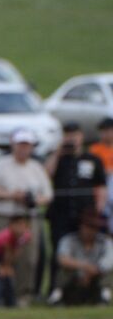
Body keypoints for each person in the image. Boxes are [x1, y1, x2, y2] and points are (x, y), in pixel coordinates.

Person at [0, 130, 52, 306]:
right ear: (13, 145)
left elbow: (48, 195)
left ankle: (22, 294)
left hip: (28, 218)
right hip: (3, 216)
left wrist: (34, 200)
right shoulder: (0, 165)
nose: (23, 149)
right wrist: (12, 195)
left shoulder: (36, 167)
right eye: (20, 144)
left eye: (27, 145)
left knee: (27, 258)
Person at [45, 123, 108, 292]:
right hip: (61, 214)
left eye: (75, 135)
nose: (71, 138)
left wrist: (99, 209)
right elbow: (45, 175)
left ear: (81, 137)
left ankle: (94, 289)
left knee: (90, 249)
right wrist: (57, 153)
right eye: (68, 135)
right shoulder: (58, 159)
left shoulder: (92, 159)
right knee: (60, 250)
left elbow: (100, 186)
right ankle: (55, 290)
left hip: (85, 216)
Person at [49, 208, 113, 306]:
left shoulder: (105, 242)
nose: (91, 231)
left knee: (108, 272)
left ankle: (104, 298)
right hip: (74, 282)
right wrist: (84, 267)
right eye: (89, 226)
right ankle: (56, 298)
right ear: (81, 226)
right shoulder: (68, 240)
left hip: (95, 281)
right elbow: (62, 259)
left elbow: (109, 261)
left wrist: (93, 271)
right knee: (64, 271)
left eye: (95, 227)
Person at [0, 214, 32, 308]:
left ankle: (10, 302)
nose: (21, 228)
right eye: (18, 225)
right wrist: (5, 266)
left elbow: (17, 250)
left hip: (7, 254)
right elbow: (7, 253)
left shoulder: (25, 236)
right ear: (11, 225)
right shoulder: (7, 236)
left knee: (9, 275)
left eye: (23, 225)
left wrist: (9, 267)